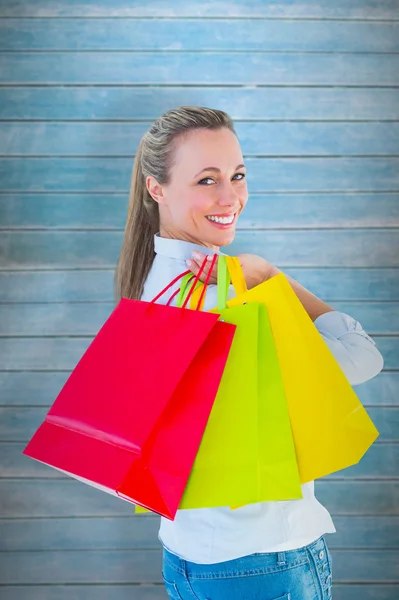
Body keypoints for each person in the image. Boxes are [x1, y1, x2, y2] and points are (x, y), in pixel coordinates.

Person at [114, 106, 384, 600]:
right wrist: (268, 275)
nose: (230, 197)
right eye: (206, 180)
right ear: (157, 187)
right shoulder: (232, 297)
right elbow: (362, 356)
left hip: (186, 557)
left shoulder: (151, 288)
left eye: (237, 175)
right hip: (265, 561)